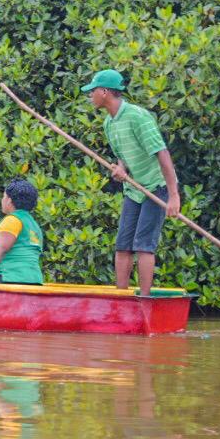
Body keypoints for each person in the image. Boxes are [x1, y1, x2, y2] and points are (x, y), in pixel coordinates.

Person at [82, 69, 181, 296]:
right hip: (134, 189)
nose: (91, 97)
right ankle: (122, 298)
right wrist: (121, 168)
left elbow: (162, 154)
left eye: (93, 91)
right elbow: (122, 155)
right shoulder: (109, 123)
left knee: (144, 245)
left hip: (157, 186)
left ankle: (144, 300)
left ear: (105, 92)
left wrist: (174, 195)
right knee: (123, 245)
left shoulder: (138, 116)